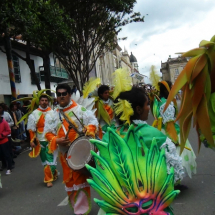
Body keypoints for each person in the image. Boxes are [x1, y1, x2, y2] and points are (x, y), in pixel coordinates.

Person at [103, 87, 184, 184]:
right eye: (147, 104)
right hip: (149, 195)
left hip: (117, 196)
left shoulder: (108, 136)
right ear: (138, 109)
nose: (149, 108)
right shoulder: (153, 134)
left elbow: (102, 169)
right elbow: (175, 173)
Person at [44, 84, 98, 215]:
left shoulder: (81, 110)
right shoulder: (52, 115)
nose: (61, 96)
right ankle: (77, 208)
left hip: (80, 152)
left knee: (80, 179)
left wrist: (88, 129)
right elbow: (48, 133)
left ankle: (81, 211)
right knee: (69, 181)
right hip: (65, 154)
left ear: (69, 94)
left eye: (64, 93)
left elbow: (92, 124)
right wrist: (57, 140)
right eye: (59, 94)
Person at [156, 81, 197, 179]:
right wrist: (174, 140)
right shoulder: (166, 104)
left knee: (168, 159)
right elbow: (169, 124)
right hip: (171, 133)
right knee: (176, 158)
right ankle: (174, 181)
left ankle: (173, 180)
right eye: (171, 87)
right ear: (168, 89)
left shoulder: (160, 101)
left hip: (162, 132)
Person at [27, 95, 58, 188]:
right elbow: (31, 129)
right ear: (39, 102)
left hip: (51, 140)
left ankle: (48, 180)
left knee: (50, 160)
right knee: (45, 161)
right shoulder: (34, 114)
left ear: (48, 102)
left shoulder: (53, 112)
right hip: (40, 141)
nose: (44, 102)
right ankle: (54, 173)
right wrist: (32, 140)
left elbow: (57, 126)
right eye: (42, 100)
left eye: (46, 100)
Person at [0, 103, 15, 170]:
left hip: (6, 136)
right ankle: (4, 164)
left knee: (8, 151)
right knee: (1, 153)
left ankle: (11, 163)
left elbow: (12, 123)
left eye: (0, 108)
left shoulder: (6, 115)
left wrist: (5, 125)